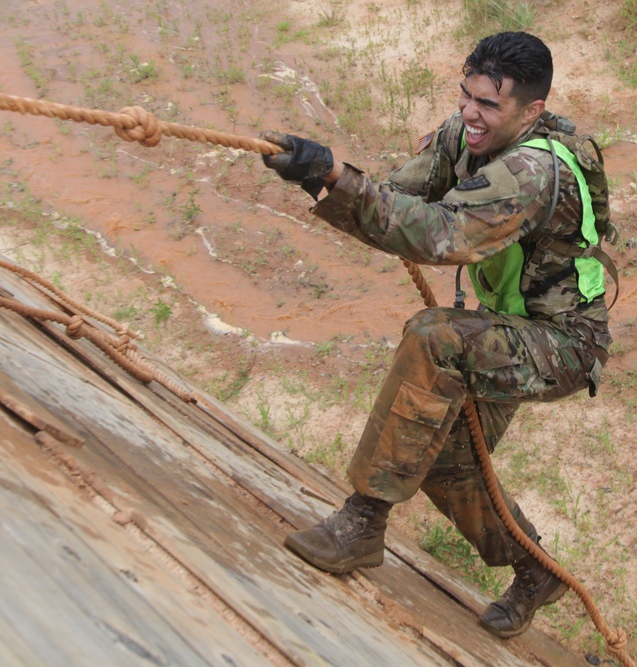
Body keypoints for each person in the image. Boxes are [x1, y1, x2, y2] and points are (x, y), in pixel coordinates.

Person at [260, 31, 613, 639]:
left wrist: (336, 176)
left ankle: (362, 522)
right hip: (508, 328)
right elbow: (398, 199)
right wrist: (320, 177)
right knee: (446, 460)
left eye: (488, 105)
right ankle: (536, 570)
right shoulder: (465, 135)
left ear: (531, 112)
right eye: (466, 95)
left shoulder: (533, 169)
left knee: (434, 336)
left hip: (563, 345)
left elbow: (438, 237)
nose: (470, 113)